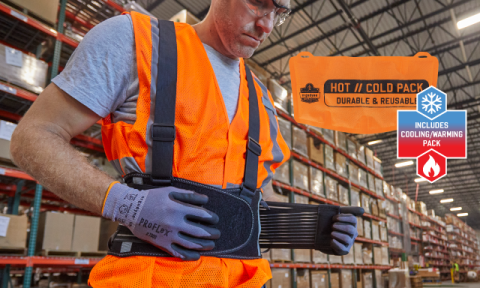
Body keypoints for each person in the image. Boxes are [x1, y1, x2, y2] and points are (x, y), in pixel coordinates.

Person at [10, 0, 359, 287]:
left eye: (279, 12)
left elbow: (254, 200)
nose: (266, 25)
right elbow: (32, 137)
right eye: (258, 4)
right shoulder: (135, 41)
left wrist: (313, 227)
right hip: (150, 278)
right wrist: (128, 206)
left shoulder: (261, 98)